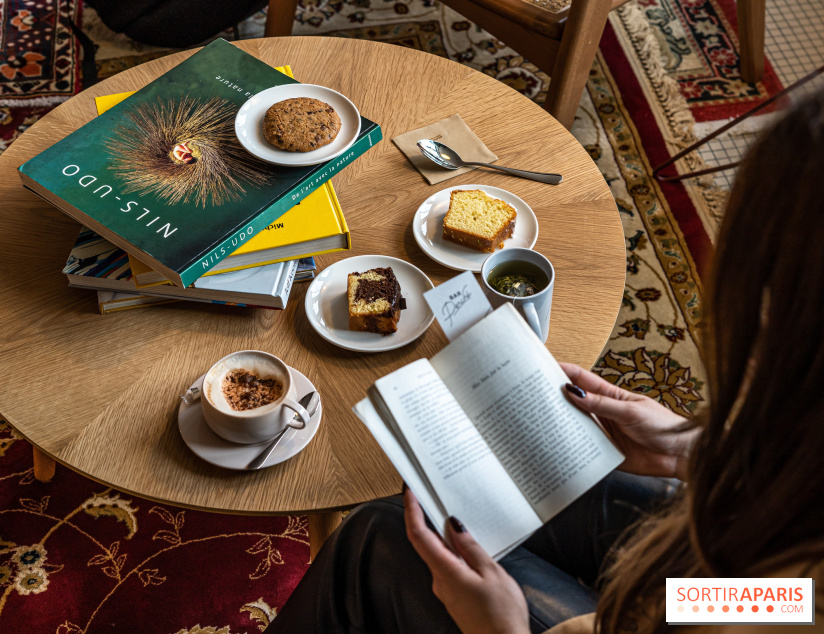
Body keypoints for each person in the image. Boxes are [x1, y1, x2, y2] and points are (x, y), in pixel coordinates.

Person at [265, 89, 824, 633]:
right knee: (468, 497)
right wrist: (694, 452)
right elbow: (782, 595)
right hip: (753, 585)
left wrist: (500, 628)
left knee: (376, 536)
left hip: (735, 601)